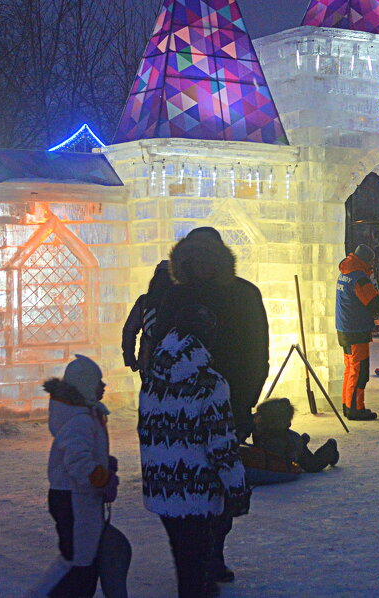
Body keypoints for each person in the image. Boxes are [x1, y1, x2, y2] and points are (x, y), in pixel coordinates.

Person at [155, 228, 267, 584]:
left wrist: (246, 399)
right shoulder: (175, 297)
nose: (201, 265)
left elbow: (257, 351)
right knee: (190, 487)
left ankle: (213, 551)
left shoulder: (244, 295)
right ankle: (196, 559)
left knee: (222, 483)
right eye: (194, 258)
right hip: (181, 410)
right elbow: (160, 349)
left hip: (229, 403)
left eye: (207, 258)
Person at [139, 305, 249, 598]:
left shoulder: (153, 378)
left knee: (186, 562)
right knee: (196, 567)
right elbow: (221, 446)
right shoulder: (210, 384)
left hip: (163, 489)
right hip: (197, 490)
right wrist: (237, 489)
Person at [35, 355, 130, 598]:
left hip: (79, 498)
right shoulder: (79, 420)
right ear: (85, 385)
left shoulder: (82, 414)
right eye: (98, 381)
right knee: (78, 563)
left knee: (82, 560)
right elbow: (77, 462)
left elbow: (82, 454)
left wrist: (103, 464)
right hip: (74, 499)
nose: (104, 386)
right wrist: (103, 478)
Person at [335, 243, 379, 421]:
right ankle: (356, 409)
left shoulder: (345, 273)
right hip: (357, 330)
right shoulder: (360, 278)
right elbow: (374, 304)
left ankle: (347, 405)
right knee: (359, 371)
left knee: (350, 369)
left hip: (344, 329)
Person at [251, 397, 338, 472]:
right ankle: (304, 440)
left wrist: (292, 463)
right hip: (284, 448)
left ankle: (330, 449)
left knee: (313, 465)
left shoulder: (286, 439)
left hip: (296, 448)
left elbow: (290, 459)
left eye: (260, 416)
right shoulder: (258, 427)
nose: (257, 418)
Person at [121, 260, 171, 375]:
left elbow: (129, 330)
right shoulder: (181, 302)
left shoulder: (144, 301)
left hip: (147, 362)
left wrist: (129, 358)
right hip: (173, 363)